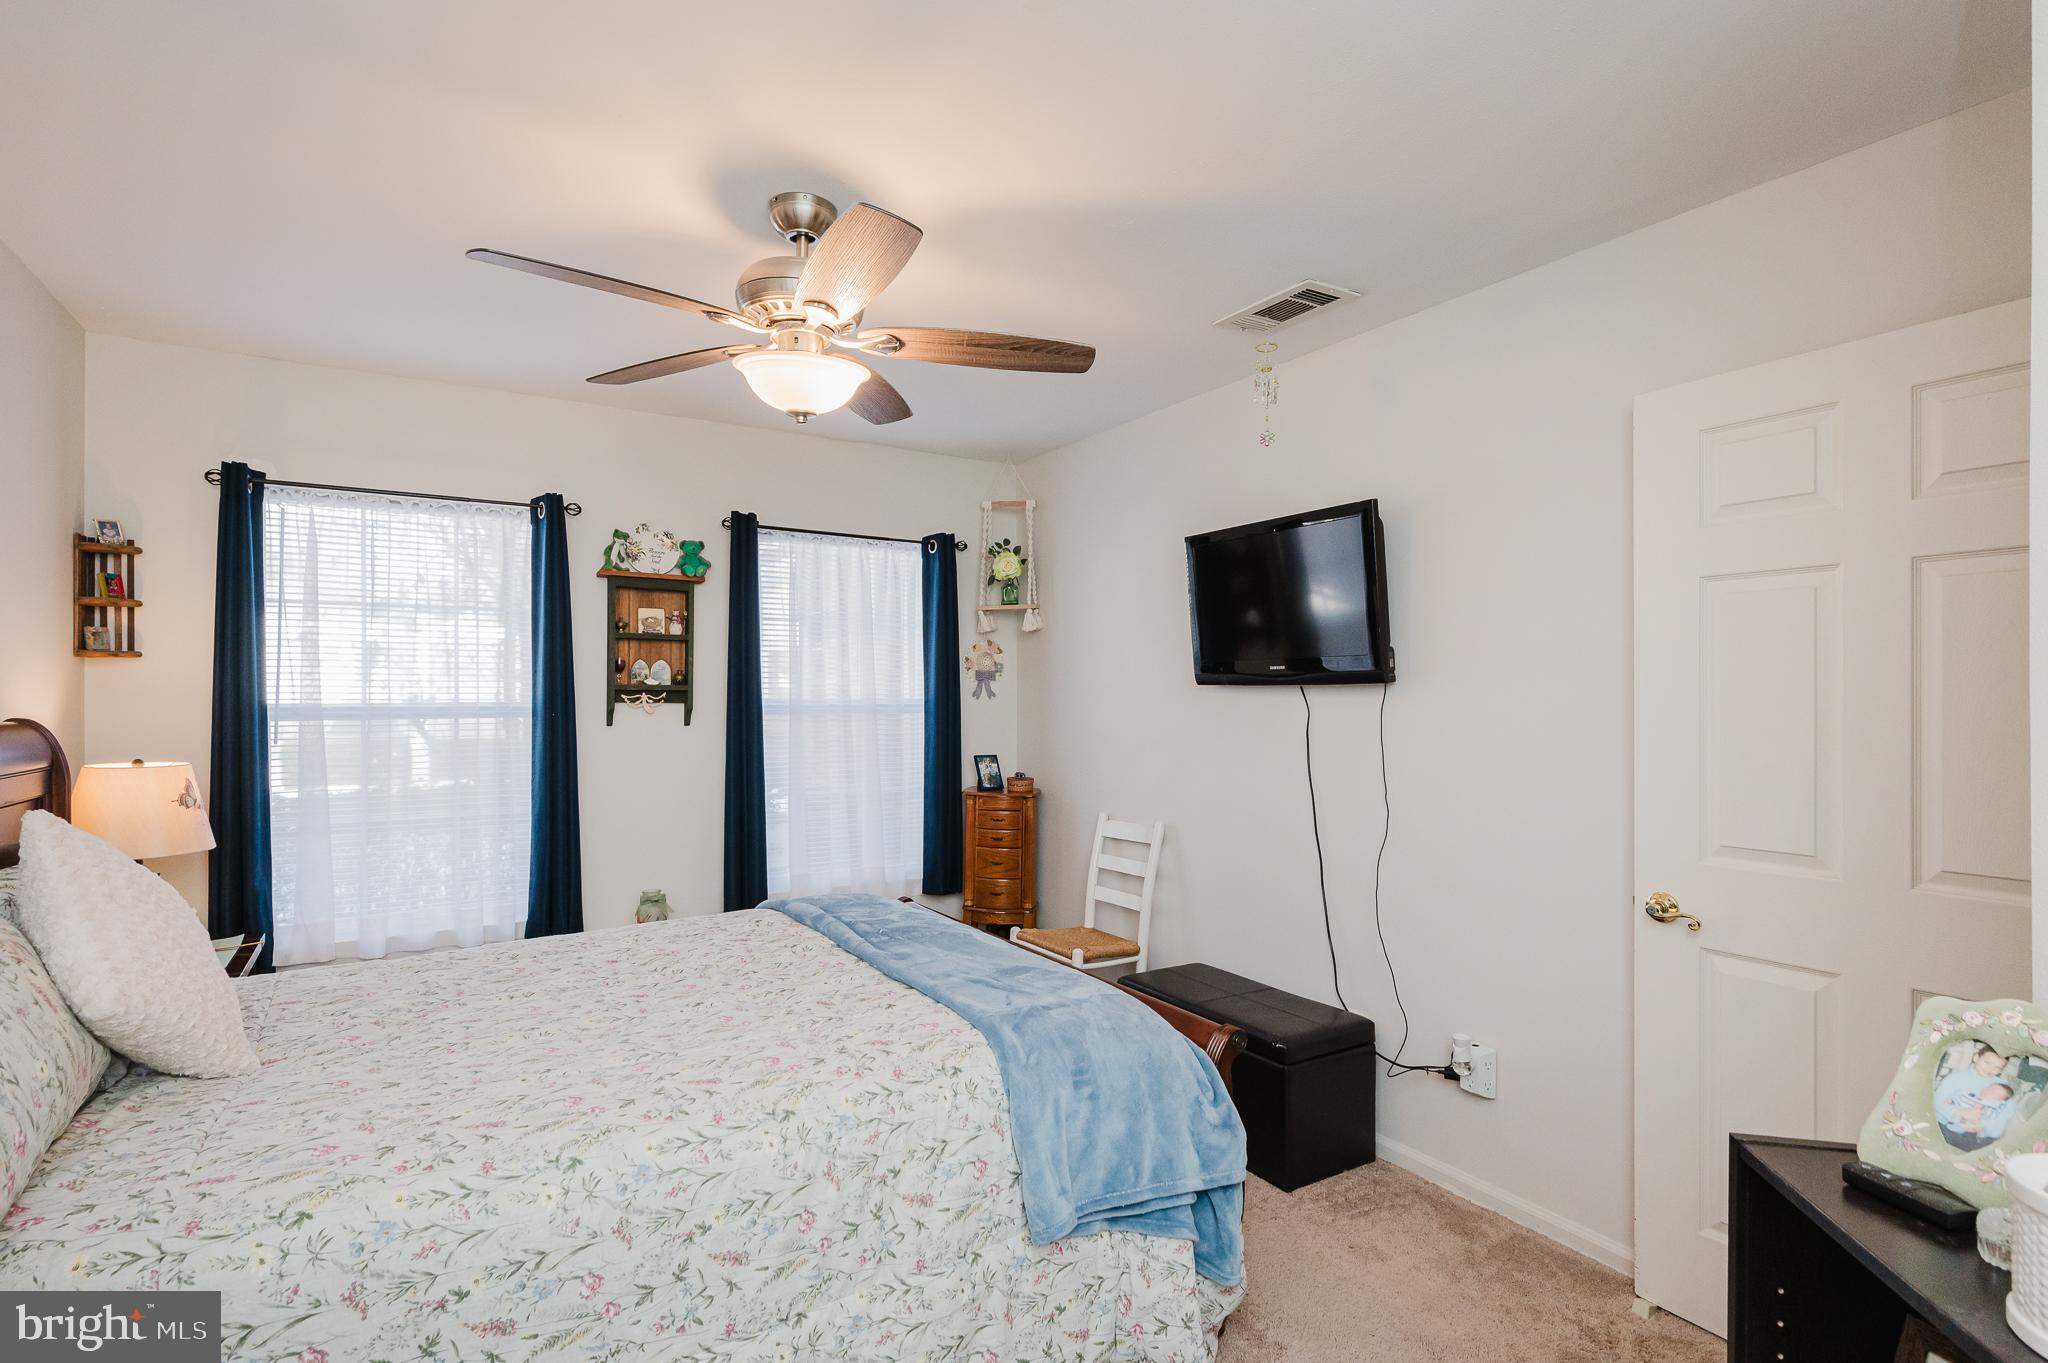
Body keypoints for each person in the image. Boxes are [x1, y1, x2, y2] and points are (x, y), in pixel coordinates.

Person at [1936, 1044, 2012, 1150]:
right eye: (1987, 1062)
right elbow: (1937, 1102)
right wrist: (1959, 1111)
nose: (1990, 1069)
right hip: (1948, 1125)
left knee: (1985, 1147)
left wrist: (1984, 1125)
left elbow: (2007, 1114)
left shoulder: (2003, 1085)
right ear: (1976, 1058)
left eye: (1998, 1068)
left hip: (1978, 1132)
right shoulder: (1956, 1078)